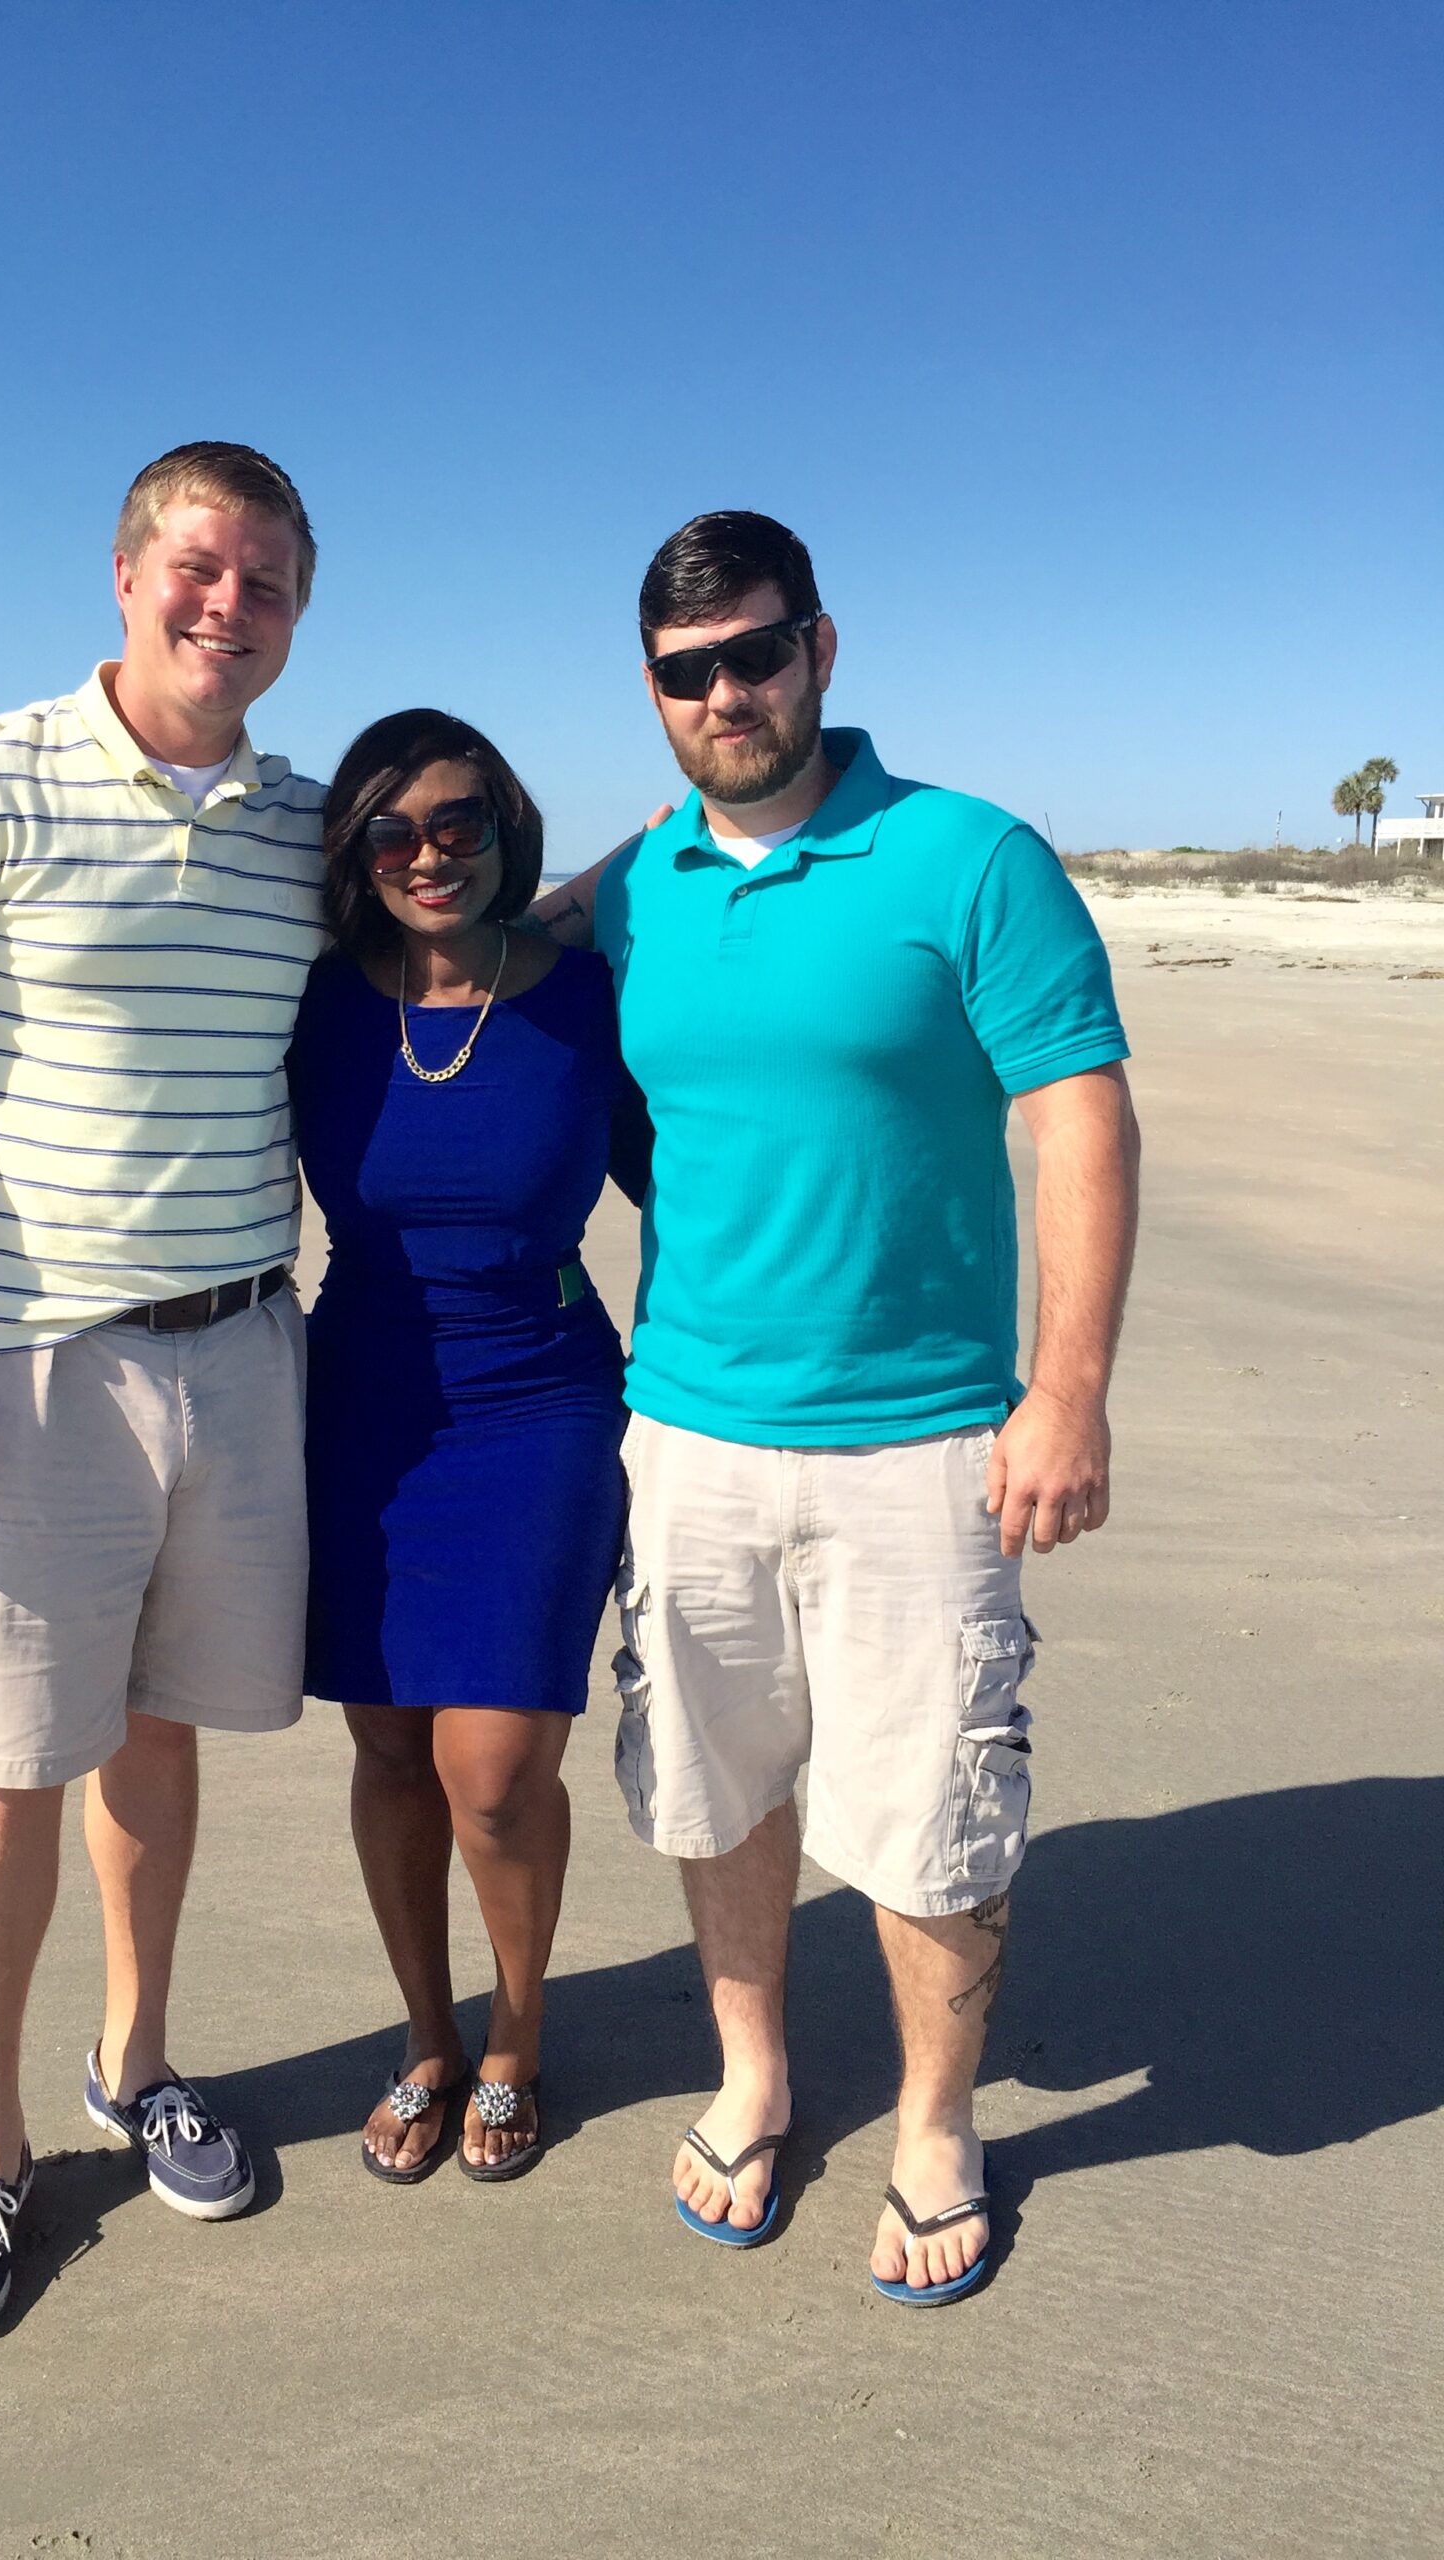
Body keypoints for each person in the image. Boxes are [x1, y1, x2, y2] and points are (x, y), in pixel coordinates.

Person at [538, 510, 1139, 2299]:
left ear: (821, 647)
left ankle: (940, 2122)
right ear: (649, 693)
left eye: (756, 652)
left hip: (931, 1440)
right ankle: (757, 2073)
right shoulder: (637, 892)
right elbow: (474, 941)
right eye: (686, 671)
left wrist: (1069, 1393)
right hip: (692, 1428)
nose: (728, 692)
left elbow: (1079, 1117)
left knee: (930, 1798)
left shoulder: (972, 860)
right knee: (712, 1786)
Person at [0, 441, 325, 2345]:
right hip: (19, 1373)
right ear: (124, 575)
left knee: (159, 1734)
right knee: (9, 1763)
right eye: (200, 568)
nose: (228, 606)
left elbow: (466, 927)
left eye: (267, 583)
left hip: (245, 1348)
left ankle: (140, 2057)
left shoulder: (301, 825)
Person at [288, 711, 629, 2182]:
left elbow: (701, 1178)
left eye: (460, 823)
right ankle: (428, 2037)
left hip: (540, 1399)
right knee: (386, 1749)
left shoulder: (590, 996)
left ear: (506, 826)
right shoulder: (309, 1001)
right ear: (356, 854)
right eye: (395, 833)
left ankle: (518, 2038)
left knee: (492, 1768)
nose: (430, 855)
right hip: (363, 1395)